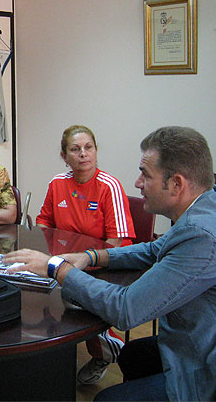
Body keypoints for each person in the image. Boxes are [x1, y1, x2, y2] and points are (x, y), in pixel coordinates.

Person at [4, 126, 216, 401]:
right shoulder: (212, 202)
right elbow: (154, 249)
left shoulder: (203, 235)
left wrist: (56, 268)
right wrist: (92, 256)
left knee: (107, 401)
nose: (137, 183)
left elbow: (125, 310)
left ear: (176, 184)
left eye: (145, 175)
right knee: (135, 356)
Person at [36, 124, 136, 385]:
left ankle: (107, 351)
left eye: (88, 147)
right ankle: (51, 353)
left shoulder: (109, 186)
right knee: (32, 289)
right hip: (63, 261)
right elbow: (44, 222)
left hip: (102, 263)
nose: (83, 154)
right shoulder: (57, 183)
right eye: (75, 149)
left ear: (96, 151)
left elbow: (117, 242)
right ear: (64, 156)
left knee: (74, 299)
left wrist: (85, 261)